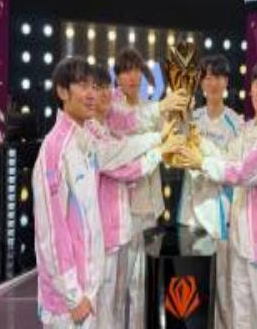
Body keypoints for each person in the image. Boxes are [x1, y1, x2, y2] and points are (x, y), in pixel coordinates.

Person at [176, 58, 257, 329]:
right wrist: (198, 145)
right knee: (242, 317)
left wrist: (201, 162)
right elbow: (227, 157)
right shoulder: (248, 128)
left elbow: (242, 172)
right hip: (241, 239)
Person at [85, 64, 182, 327]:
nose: (103, 93)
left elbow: (133, 128)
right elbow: (125, 166)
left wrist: (166, 118)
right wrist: (159, 146)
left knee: (132, 289)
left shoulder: (110, 124)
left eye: (105, 87)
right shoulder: (92, 131)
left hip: (124, 224)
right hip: (104, 231)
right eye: (96, 87)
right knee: (107, 301)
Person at [108, 46, 188, 328]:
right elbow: (128, 138)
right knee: (116, 286)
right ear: (117, 77)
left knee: (141, 284)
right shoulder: (111, 109)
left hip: (149, 206)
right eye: (125, 71)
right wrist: (162, 111)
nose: (132, 77)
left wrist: (181, 109)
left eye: (136, 71)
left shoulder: (150, 107)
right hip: (120, 209)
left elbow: (173, 137)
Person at [31, 57, 103, 328]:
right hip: (69, 304)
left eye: (94, 86)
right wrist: (73, 296)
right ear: (62, 91)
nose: (91, 93)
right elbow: (51, 231)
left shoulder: (86, 140)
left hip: (88, 291)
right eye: (82, 85)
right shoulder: (54, 150)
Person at [177, 54, 243, 329]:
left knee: (223, 287)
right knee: (191, 284)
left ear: (226, 81)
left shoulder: (236, 123)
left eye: (217, 77)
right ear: (201, 82)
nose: (212, 83)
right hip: (190, 214)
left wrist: (202, 161)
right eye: (207, 77)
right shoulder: (191, 118)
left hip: (218, 216)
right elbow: (177, 154)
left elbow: (233, 168)